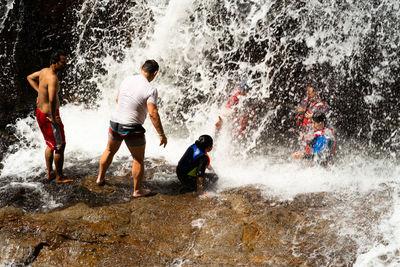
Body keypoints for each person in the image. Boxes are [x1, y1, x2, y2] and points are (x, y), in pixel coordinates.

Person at [96, 60, 167, 198]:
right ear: (155, 73)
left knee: (109, 150)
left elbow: (118, 99)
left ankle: (100, 178)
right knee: (138, 159)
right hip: (132, 127)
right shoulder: (151, 89)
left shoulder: (127, 79)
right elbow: (153, 113)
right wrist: (161, 134)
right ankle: (137, 190)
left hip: (115, 122)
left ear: (141, 68)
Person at [27, 50, 73, 183]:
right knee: (60, 146)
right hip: (49, 116)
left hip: (40, 113)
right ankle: (59, 177)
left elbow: (29, 77)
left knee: (50, 144)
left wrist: (39, 92)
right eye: (63, 62)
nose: (65, 65)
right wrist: (53, 117)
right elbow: (52, 99)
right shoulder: (52, 78)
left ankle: (49, 173)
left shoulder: (43, 71)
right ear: (54, 62)